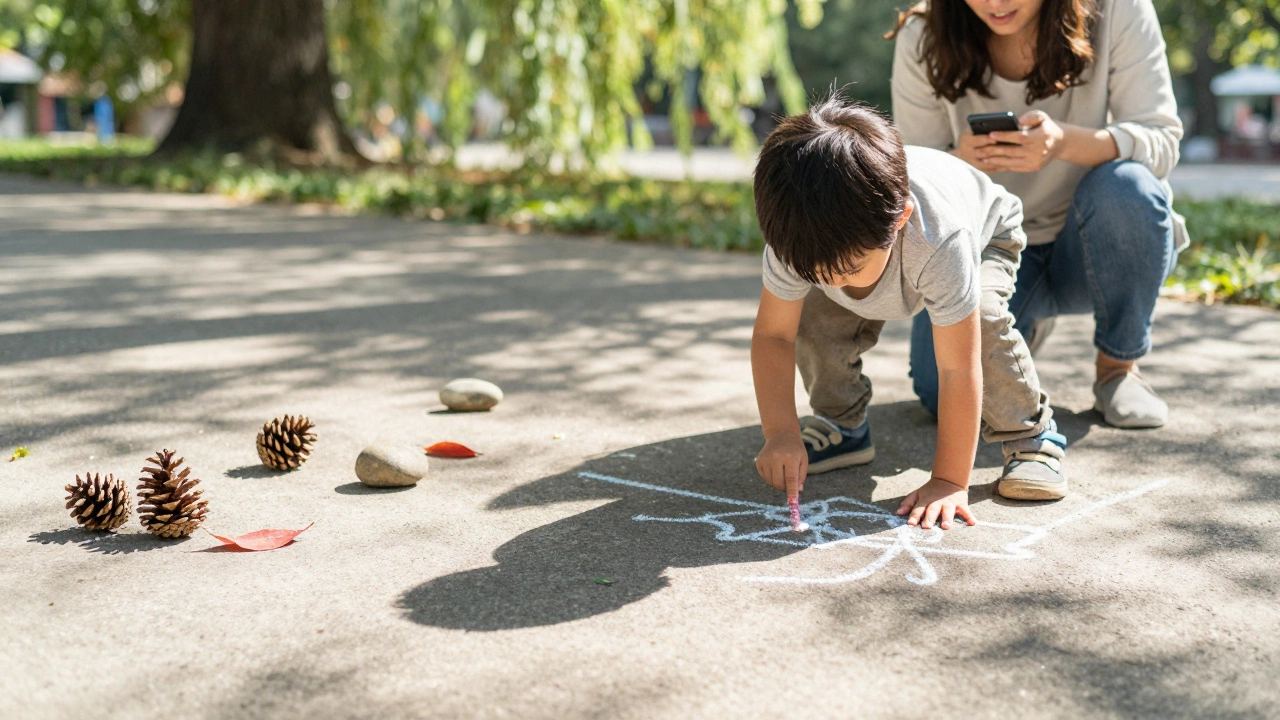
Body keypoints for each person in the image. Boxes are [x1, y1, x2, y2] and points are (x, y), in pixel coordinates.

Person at [751, 96, 1069, 530]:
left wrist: (949, 480)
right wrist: (781, 432)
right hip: (881, 242)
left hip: (985, 236)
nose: (836, 281)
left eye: (847, 269)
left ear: (900, 219)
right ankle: (842, 423)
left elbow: (958, 369)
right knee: (812, 312)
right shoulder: (798, 237)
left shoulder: (938, 238)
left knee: (986, 320)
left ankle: (1031, 438)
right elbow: (774, 337)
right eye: (816, 272)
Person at [889, 0, 1186, 429]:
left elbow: (1161, 141)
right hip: (991, 250)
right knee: (943, 394)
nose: (994, 3)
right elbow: (912, 173)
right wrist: (957, 160)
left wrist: (1062, 143)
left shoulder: (1119, 9)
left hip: (1091, 244)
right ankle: (1020, 321)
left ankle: (1118, 370)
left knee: (1131, 188)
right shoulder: (923, 31)